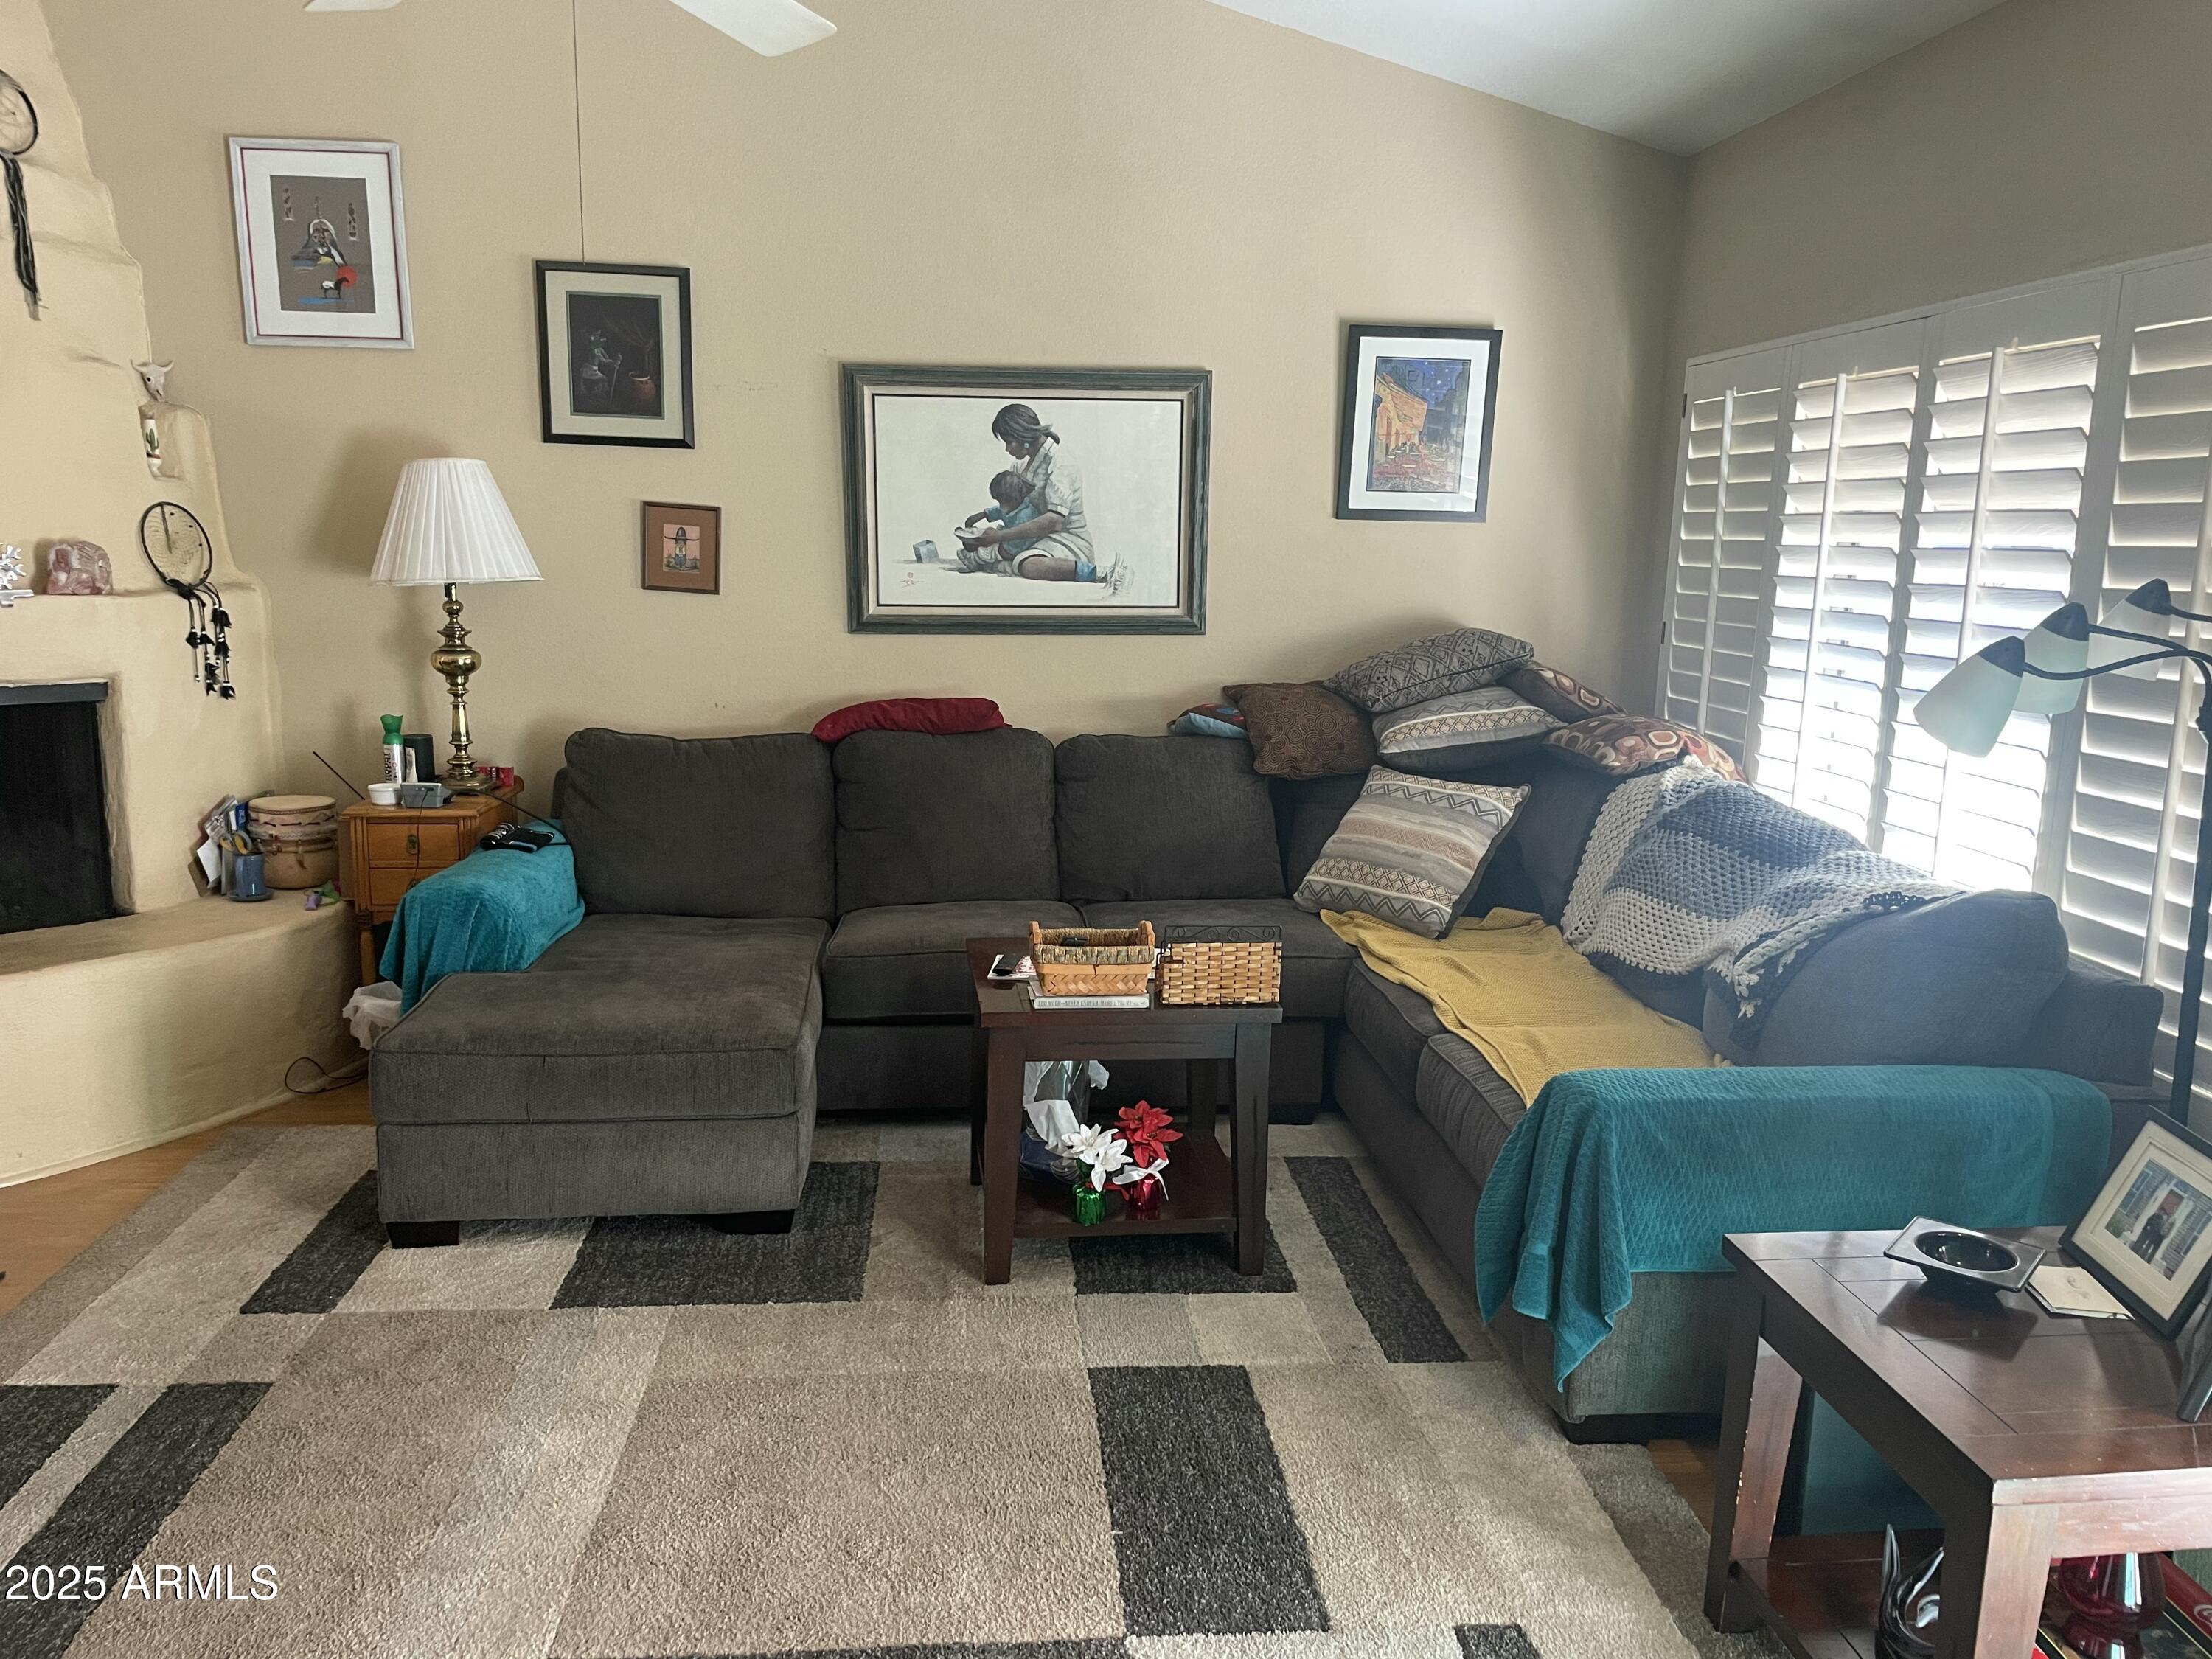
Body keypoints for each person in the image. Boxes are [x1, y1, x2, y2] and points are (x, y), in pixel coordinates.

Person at [956, 403, 1116, 585]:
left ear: (1023, 437)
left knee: (1031, 566)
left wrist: (999, 536)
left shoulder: (1060, 462)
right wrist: (985, 519)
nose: (1007, 449)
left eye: (1009, 442)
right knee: (981, 547)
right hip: (1031, 537)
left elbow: (1054, 522)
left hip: (1065, 539)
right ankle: (1005, 563)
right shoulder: (1020, 467)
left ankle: (1099, 573)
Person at [955, 472, 1043, 573]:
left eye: (1003, 501)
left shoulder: (1025, 515)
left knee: (989, 551)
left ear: (1014, 498)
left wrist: (991, 546)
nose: (1001, 505)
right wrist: (981, 515)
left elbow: (1015, 547)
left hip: (1021, 546)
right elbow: (997, 511)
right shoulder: (1013, 505)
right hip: (1009, 540)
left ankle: (974, 560)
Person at [2132, 1189, 2183, 1265]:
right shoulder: (2164, 1216)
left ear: (2176, 1212)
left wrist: (2166, 1236)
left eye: (2174, 1210)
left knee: (2155, 1249)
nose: (2173, 1211)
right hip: (2156, 1234)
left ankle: (2148, 1260)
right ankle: (2142, 1255)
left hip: (2161, 1236)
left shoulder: (2173, 1220)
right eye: (2172, 1210)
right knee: (2149, 1244)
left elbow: (2170, 1230)